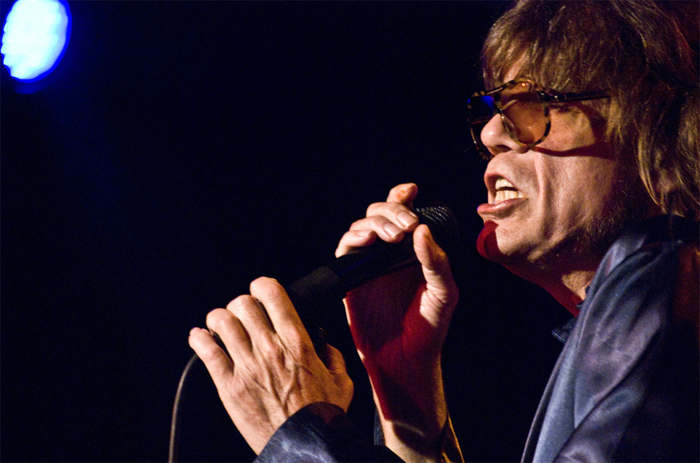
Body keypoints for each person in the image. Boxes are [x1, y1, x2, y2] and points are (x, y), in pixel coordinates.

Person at [188, 0, 699, 461]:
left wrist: (302, 437)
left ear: (654, 126)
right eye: (493, 111)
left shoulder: (666, 270)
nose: (493, 133)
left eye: (533, 105)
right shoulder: (639, 308)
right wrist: (405, 394)